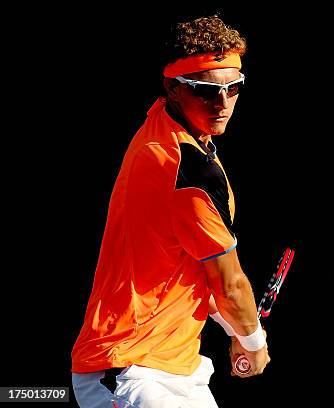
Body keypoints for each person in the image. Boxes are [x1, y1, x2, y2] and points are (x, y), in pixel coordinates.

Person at [71, 15, 270, 408]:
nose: (222, 103)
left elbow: (190, 269)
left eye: (234, 89)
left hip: (176, 364)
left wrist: (235, 327)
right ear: (173, 88)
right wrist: (254, 342)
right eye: (205, 91)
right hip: (133, 369)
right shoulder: (187, 170)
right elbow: (229, 283)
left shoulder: (166, 127)